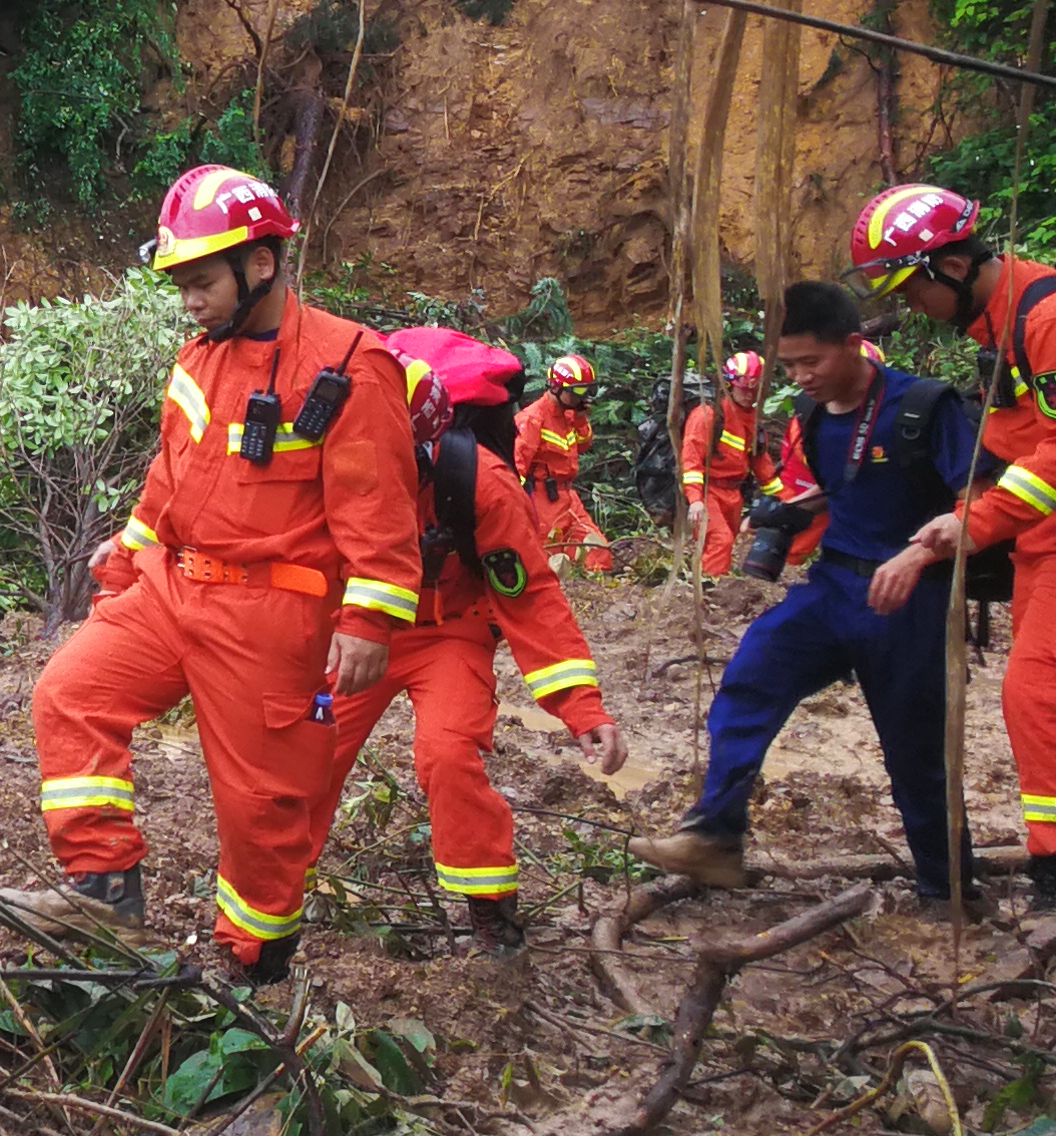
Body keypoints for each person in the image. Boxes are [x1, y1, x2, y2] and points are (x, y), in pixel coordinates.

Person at [7, 166, 421, 993]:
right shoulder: (199, 357)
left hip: (274, 611)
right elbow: (171, 475)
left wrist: (369, 621)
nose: (188, 301)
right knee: (70, 693)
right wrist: (126, 557)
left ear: (259, 265)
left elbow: (378, 509)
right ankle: (103, 893)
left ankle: (253, 974)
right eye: (182, 285)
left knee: (262, 811)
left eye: (200, 282)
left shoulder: (350, 364)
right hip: (173, 586)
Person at [630, 278, 976, 908]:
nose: (800, 376)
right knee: (751, 675)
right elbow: (844, 487)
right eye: (788, 364)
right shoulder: (811, 415)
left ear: (852, 346)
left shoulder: (927, 406)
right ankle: (716, 836)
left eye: (810, 362)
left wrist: (919, 551)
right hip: (833, 585)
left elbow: (979, 501)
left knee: (914, 752)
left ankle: (949, 895)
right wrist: (795, 507)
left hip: (911, 601)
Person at [334, 331, 626, 954]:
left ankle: (491, 910)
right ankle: (265, 906)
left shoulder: (482, 485)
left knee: (446, 755)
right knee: (302, 749)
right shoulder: (336, 460)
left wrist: (580, 705)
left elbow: (531, 598)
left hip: (450, 631)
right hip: (361, 629)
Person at [851, 182, 1056, 905]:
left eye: (914, 289)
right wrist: (964, 504)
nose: (913, 307)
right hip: (1041, 546)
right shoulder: (998, 327)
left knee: (1036, 696)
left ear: (955, 266)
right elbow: (1006, 444)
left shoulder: (1045, 318)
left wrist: (976, 523)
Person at [510, 352, 617, 575]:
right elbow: (517, 466)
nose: (583, 397)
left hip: (569, 498)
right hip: (543, 499)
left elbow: (584, 444)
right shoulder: (532, 420)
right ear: (557, 387)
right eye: (577, 392)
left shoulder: (569, 415)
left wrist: (580, 418)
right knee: (548, 561)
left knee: (598, 554)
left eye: (587, 391)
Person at [680, 352, 769, 578]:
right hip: (710, 491)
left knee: (726, 544)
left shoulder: (753, 419)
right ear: (730, 384)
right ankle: (710, 592)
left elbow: (762, 464)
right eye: (744, 389)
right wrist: (696, 500)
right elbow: (691, 459)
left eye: (754, 390)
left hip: (734, 493)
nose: (749, 395)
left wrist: (786, 499)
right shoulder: (709, 414)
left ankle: (710, 588)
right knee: (721, 540)